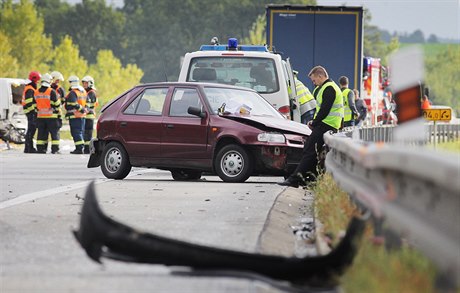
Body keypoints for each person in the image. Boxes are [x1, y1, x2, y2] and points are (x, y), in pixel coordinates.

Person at [279, 66, 344, 187]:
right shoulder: (329, 87)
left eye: (314, 80)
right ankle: (309, 179)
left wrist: (314, 123)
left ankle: (294, 180)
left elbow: (324, 110)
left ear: (320, 76)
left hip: (326, 125)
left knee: (309, 151)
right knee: (313, 152)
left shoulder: (329, 88)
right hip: (329, 125)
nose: (314, 83)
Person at [34, 73, 61, 154]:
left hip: (40, 117)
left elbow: (34, 105)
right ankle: (55, 149)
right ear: (49, 81)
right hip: (52, 116)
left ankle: (40, 149)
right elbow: (57, 104)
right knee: (54, 134)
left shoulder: (36, 92)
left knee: (41, 134)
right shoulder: (51, 91)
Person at [65, 75, 87, 154]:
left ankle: (79, 149)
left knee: (76, 132)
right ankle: (80, 148)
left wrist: (81, 109)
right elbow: (86, 102)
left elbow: (73, 104)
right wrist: (83, 110)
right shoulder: (83, 91)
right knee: (80, 132)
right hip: (82, 116)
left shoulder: (73, 92)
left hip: (75, 116)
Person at [22, 71, 40, 153]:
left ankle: (28, 148)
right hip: (31, 112)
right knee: (31, 130)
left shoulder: (29, 88)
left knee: (31, 130)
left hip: (29, 112)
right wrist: (33, 111)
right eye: (38, 80)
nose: (38, 82)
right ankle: (29, 148)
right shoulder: (30, 89)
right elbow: (29, 102)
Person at [82, 75, 98, 154]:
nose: (84, 85)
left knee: (88, 134)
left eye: (86, 83)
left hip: (89, 116)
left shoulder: (91, 93)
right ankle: (86, 149)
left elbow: (88, 105)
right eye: (83, 83)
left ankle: (88, 149)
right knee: (86, 133)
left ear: (90, 83)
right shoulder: (87, 92)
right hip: (86, 116)